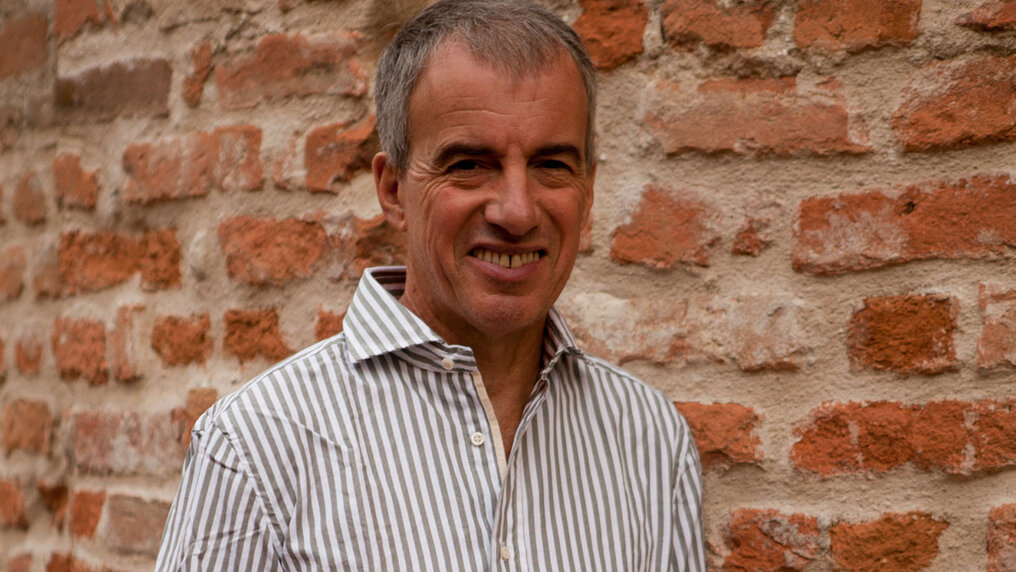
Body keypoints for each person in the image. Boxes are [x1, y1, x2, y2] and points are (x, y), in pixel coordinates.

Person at [156, 0, 705, 569]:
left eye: (552, 165)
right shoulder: (257, 447)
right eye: (469, 165)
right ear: (393, 190)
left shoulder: (650, 441)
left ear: (588, 191)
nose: (516, 211)